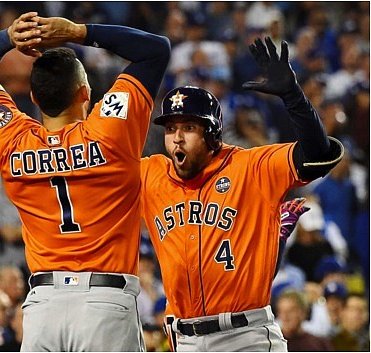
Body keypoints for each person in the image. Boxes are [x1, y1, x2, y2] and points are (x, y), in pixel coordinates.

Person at [0, 11, 170, 352]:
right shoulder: (111, 130)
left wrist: (9, 39)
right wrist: (77, 31)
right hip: (105, 302)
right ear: (85, 93)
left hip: (43, 308)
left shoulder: (13, 140)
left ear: (35, 99)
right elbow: (155, 49)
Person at [140, 36, 344, 351]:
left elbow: (317, 156)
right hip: (185, 339)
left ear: (211, 134)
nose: (177, 139)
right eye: (170, 129)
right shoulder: (151, 174)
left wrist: (293, 97)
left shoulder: (251, 167)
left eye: (189, 128)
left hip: (245, 337)